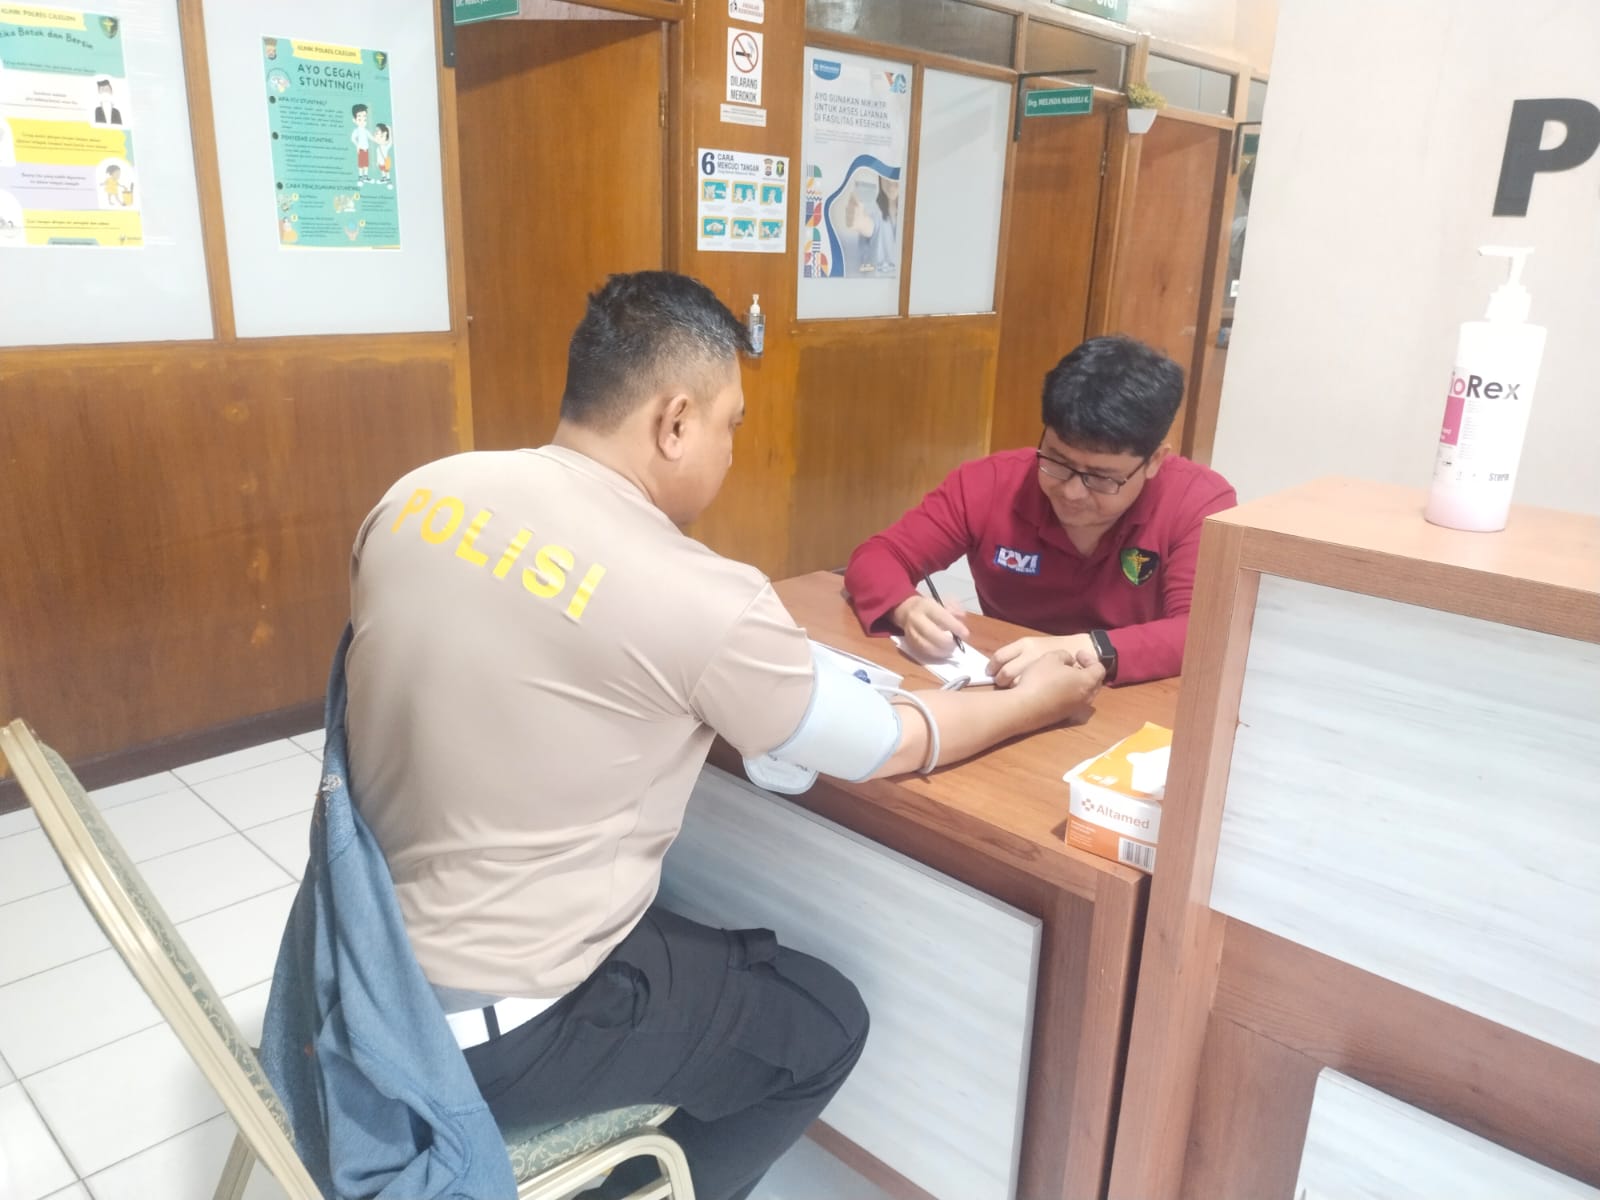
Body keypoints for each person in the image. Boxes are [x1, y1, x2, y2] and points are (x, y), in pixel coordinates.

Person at [336, 271, 1104, 1200]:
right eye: (731, 423)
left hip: (361, 955)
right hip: (498, 1031)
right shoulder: (697, 592)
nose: (733, 450)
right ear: (674, 422)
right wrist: (1041, 699)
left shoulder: (422, 493)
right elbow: (889, 744)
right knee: (823, 1026)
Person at [844, 335, 1238, 687]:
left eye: (1101, 477)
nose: (1071, 492)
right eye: (1057, 461)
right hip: (1006, 685)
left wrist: (1079, 649)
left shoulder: (1198, 502)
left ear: (1154, 461)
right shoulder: (990, 482)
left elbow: (1201, 633)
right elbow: (877, 556)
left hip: (1135, 691)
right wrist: (907, 607)